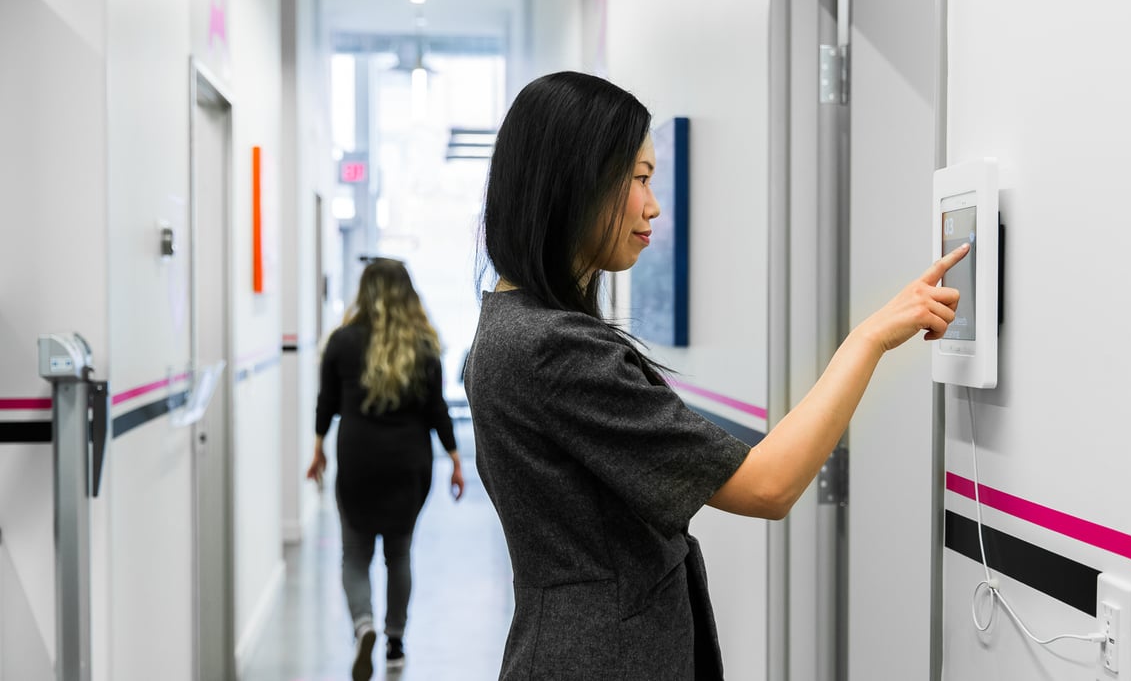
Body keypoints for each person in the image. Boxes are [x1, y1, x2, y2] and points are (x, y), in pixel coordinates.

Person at [463, 71, 968, 680]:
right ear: (576, 179)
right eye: (640, 179)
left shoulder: (508, 326)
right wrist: (870, 338)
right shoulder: (552, 349)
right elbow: (768, 486)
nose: (653, 205)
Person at [309, 257, 465, 681]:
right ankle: (395, 643)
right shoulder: (424, 345)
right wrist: (454, 458)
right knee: (398, 554)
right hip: (408, 463)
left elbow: (326, 403)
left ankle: (364, 625)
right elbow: (437, 410)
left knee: (354, 555)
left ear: (366, 293)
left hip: (358, 460)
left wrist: (318, 448)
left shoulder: (342, 342)